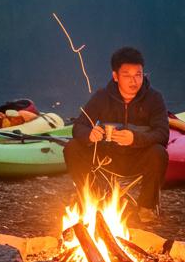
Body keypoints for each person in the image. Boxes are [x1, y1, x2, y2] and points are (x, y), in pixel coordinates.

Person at [64, 46, 170, 224]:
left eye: (138, 74)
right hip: (107, 157)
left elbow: (162, 134)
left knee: (159, 153)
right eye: (127, 75)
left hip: (138, 157)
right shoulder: (102, 97)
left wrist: (135, 139)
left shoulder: (154, 98)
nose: (134, 81)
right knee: (72, 148)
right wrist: (90, 135)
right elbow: (79, 126)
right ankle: (90, 196)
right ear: (115, 76)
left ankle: (146, 206)